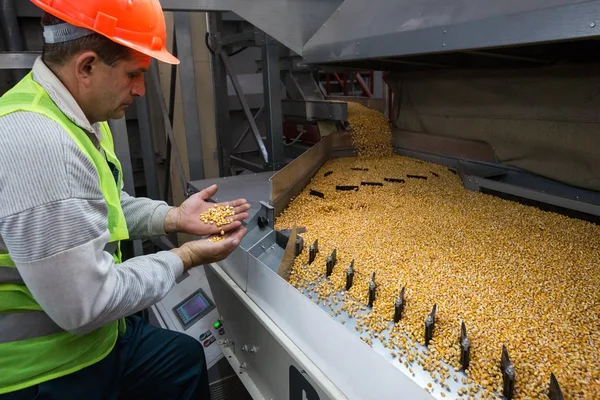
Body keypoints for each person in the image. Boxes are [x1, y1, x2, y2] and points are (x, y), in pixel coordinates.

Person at [0, 0, 250, 398]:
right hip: (44, 371)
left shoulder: (79, 117)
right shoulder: (42, 145)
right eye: (134, 74)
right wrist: (185, 257)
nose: (140, 89)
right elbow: (88, 306)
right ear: (86, 67)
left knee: (182, 358)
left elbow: (105, 206)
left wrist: (174, 217)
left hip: (96, 340)